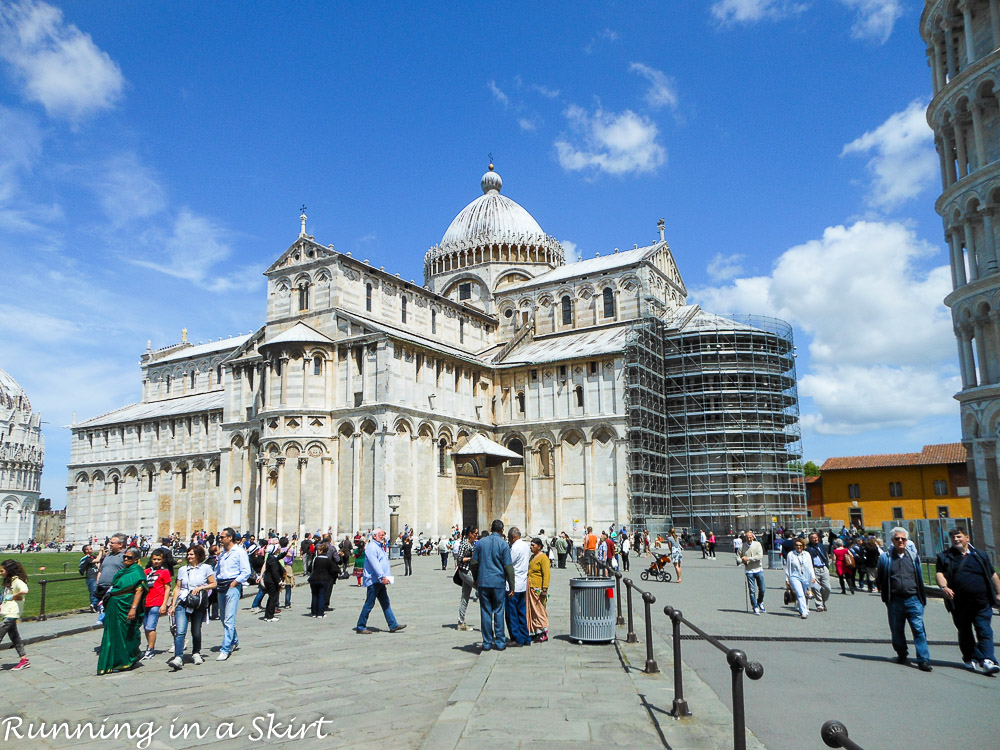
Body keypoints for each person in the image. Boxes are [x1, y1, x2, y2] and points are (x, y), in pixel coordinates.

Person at [935, 526, 1000, 674]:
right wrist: (944, 587)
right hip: (959, 603)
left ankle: (988, 660)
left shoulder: (980, 555)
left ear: (967, 538)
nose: (956, 539)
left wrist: (998, 594)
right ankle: (970, 657)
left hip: (981, 602)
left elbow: (993, 575)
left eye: (959, 536)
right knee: (965, 632)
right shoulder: (944, 556)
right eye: (953, 538)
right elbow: (939, 573)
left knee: (984, 630)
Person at [876, 527, 932, 671]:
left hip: (914, 599)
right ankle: (902, 654)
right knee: (897, 629)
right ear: (892, 541)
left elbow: (918, 577)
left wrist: (921, 598)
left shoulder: (914, 557)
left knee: (919, 629)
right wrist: (887, 595)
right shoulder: (885, 558)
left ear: (907, 540)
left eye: (903, 538)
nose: (900, 541)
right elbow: (880, 577)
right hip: (895, 600)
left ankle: (923, 659)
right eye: (897, 538)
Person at [96, 547, 149, 675]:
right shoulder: (124, 571)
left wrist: (133, 608)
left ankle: (127, 660)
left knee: (127, 634)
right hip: (115, 605)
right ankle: (114, 661)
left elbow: (139, 591)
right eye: (124, 557)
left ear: (136, 560)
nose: (125, 559)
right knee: (112, 634)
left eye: (129, 557)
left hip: (127, 606)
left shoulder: (137, 572)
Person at [167, 545, 217, 670]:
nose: (189, 557)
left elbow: (214, 584)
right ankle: (178, 656)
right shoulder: (183, 569)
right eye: (188, 554)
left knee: (196, 631)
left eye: (191, 554)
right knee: (180, 631)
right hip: (183, 601)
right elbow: (177, 587)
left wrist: (201, 588)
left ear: (199, 556)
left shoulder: (206, 568)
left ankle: (196, 652)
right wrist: (173, 605)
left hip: (197, 603)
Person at [472, 519, 515, 651]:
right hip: (498, 583)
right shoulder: (504, 545)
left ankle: (486, 642)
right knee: (498, 611)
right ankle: (500, 642)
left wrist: (476, 578)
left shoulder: (480, 543)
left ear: (491, 529)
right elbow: (508, 567)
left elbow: (473, 563)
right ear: (502, 530)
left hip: (483, 582)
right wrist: (512, 585)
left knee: (485, 611)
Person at [356, 528, 405, 634]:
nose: (383, 536)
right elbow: (375, 564)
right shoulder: (372, 548)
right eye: (382, 535)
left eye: (384, 535)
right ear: (375, 536)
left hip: (379, 580)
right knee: (369, 603)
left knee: (385, 602)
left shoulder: (378, 546)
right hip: (374, 580)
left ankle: (393, 624)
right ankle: (361, 626)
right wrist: (382, 577)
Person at [214, 527, 251, 661]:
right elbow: (217, 570)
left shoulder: (239, 552)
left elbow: (246, 571)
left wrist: (235, 582)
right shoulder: (223, 554)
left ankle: (225, 648)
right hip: (221, 586)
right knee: (223, 618)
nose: (220, 539)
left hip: (232, 586)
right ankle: (234, 640)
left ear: (230, 537)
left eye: (222, 537)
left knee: (229, 619)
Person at [141, 548, 173, 660]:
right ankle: (149, 646)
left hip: (157, 602)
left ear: (162, 560)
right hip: (146, 602)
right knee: (146, 627)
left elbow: (167, 588)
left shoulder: (165, 572)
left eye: (159, 559)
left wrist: (164, 604)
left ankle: (150, 649)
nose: (156, 561)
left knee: (151, 626)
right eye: (154, 559)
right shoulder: (146, 572)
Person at [0, 559, 30, 670]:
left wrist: (14, 596)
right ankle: (24, 659)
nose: (1, 573)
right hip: (8, 612)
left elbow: (25, 590)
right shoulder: (9, 581)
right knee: (14, 637)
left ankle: (24, 660)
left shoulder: (17, 581)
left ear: (9, 570)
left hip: (12, 614)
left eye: (2, 571)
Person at [506, 527, 531, 647]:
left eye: (509, 538)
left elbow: (509, 564)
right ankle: (525, 637)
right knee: (521, 612)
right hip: (522, 583)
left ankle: (517, 638)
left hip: (513, 585)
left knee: (512, 613)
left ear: (513, 536)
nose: (509, 540)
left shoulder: (515, 548)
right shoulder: (526, 546)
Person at [94, 534, 126, 624]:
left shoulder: (126, 556)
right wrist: (98, 581)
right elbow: (101, 569)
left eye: (112, 543)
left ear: (120, 544)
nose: (110, 544)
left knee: (113, 616)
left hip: (115, 589)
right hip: (102, 588)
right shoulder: (108, 555)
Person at [526, 537, 550, 642]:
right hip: (531, 586)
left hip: (538, 588)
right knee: (532, 611)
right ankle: (535, 631)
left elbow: (546, 574)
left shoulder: (543, 557)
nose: (531, 547)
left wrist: (544, 588)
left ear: (539, 547)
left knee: (540, 610)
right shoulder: (532, 557)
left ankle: (544, 631)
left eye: (533, 545)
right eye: (531, 545)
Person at [784, 538, 815, 619]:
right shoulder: (791, 554)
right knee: (799, 593)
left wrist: (813, 576)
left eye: (800, 545)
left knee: (804, 594)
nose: (798, 547)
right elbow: (788, 568)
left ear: (803, 546)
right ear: (795, 546)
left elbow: (810, 566)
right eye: (797, 545)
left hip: (805, 576)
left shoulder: (807, 554)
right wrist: (787, 579)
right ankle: (804, 612)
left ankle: (801, 609)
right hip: (795, 576)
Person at [456, 527, 477, 631]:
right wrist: (471, 558)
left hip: (468, 571)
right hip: (464, 571)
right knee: (481, 589)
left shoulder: (472, 544)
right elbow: (459, 559)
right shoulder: (464, 544)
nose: (476, 535)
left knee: (465, 596)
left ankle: (460, 622)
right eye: (475, 534)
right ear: (470, 534)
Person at [740, 530, 765, 615]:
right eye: (747, 537)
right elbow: (739, 556)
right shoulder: (743, 546)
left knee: (762, 589)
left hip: (758, 569)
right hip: (749, 570)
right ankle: (755, 606)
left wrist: (749, 559)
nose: (749, 539)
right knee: (752, 590)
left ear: (753, 537)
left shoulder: (757, 544)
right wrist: (741, 560)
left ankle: (760, 602)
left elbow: (760, 556)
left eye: (750, 537)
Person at [308, 543, 335, 618]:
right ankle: (320, 613)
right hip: (324, 579)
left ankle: (314, 612)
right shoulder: (328, 560)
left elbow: (309, 569)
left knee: (314, 595)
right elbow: (333, 569)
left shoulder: (315, 559)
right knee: (322, 595)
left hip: (314, 579)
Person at [806, 532, 831, 612]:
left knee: (827, 588)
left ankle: (823, 601)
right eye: (813, 538)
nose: (815, 539)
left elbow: (825, 556)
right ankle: (819, 605)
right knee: (815, 588)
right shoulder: (808, 548)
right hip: (814, 569)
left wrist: (827, 565)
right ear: (810, 539)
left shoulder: (821, 546)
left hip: (823, 568)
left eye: (816, 537)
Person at [262, 539, 285, 622]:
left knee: (271, 598)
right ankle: (270, 616)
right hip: (271, 581)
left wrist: (285, 553)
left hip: (268, 580)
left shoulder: (271, 557)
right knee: (273, 598)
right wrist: (279, 581)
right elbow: (275, 572)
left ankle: (267, 615)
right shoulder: (273, 560)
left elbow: (279, 557)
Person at [78, 545, 99, 611]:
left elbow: (100, 559)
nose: (92, 549)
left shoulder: (92, 556)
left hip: (97, 576)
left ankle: (95, 605)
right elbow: (97, 560)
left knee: (99, 590)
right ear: (86, 551)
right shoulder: (86, 558)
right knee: (94, 591)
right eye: (90, 548)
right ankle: (93, 605)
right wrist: (101, 551)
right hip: (91, 577)